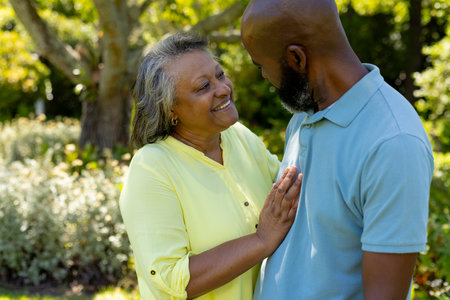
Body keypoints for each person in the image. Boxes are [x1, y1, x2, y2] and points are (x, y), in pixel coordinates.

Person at [240, 0, 434, 299]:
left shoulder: (393, 143)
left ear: (297, 59)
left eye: (261, 65)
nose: (265, 76)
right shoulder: (305, 115)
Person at [119, 33, 302, 300]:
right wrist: (262, 240)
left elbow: (289, 194)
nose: (223, 88)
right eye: (203, 87)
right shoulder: (152, 168)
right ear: (171, 109)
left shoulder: (239, 136)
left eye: (220, 75)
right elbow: (172, 279)